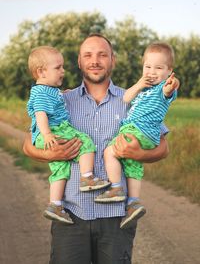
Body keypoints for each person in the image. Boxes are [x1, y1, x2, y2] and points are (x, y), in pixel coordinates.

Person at [23, 34, 169, 264]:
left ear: (113, 60)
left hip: (116, 218)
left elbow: (163, 147)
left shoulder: (135, 98)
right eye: (88, 55)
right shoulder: (62, 100)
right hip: (71, 214)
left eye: (102, 54)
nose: (95, 60)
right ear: (79, 62)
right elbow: (28, 144)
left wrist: (139, 154)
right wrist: (49, 153)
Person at [95, 42, 180, 229]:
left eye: (159, 68)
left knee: (109, 152)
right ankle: (133, 202)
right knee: (133, 163)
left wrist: (171, 84)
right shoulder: (145, 90)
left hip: (139, 130)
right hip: (145, 135)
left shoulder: (162, 89)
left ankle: (116, 188)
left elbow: (168, 90)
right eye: (148, 66)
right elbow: (126, 98)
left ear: (169, 71)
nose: (152, 71)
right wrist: (140, 84)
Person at [27, 46, 110, 224]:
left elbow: (50, 104)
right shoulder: (42, 92)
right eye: (58, 68)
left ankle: (55, 204)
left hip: (48, 133)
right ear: (41, 72)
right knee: (85, 142)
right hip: (55, 130)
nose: (63, 71)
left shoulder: (47, 90)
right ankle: (87, 177)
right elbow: (40, 113)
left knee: (60, 168)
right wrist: (48, 134)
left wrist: (61, 95)